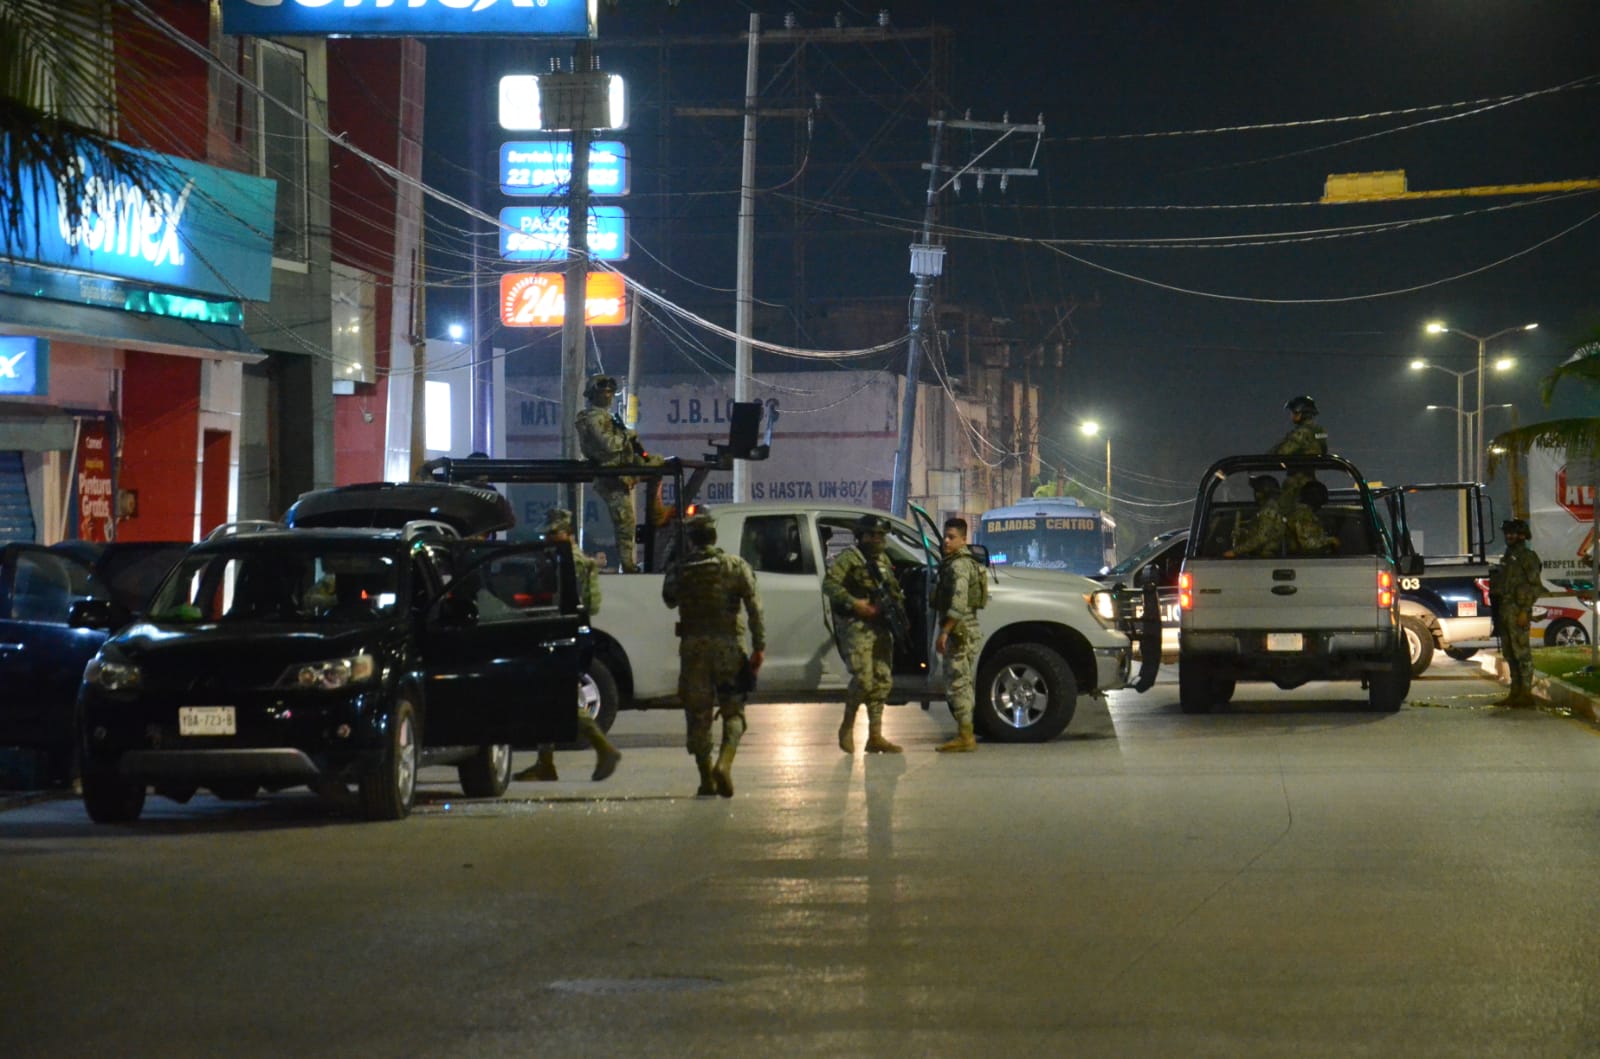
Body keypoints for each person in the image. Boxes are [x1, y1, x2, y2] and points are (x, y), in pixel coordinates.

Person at [513, 508, 622, 783]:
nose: (547, 537)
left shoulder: (556, 562)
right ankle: (545, 763)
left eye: (552, 532)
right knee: (550, 697)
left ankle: (604, 748)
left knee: (556, 694)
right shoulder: (584, 563)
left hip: (556, 634)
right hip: (576, 633)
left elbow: (538, 600)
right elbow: (593, 605)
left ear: (565, 533)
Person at [662, 510, 765, 797]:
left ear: (692, 539)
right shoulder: (735, 566)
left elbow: (669, 599)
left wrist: (676, 558)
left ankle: (706, 778)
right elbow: (755, 609)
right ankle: (725, 763)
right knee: (733, 711)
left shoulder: (681, 569)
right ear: (714, 535)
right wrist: (759, 647)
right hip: (730, 648)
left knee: (698, 715)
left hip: (693, 651)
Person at [824, 513, 908, 754]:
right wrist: (854, 603)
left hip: (881, 625)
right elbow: (829, 585)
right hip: (857, 625)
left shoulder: (883, 560)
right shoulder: (850, 558)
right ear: (861, 536)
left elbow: (893, 591)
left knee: (882, 679)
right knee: (863, 678)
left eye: (881, 535)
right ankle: (847, 726)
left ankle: (875, 736)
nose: (878, 539)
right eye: (873, 535)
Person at [574, 374, 664, 573]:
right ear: (593, 395)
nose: (608, 396)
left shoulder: (604, 417)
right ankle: (628, 565)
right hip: (611, 474)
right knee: (625, 522)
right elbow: (608, 445)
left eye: (610, 393)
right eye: (603, 392)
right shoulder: (592, 418)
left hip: (622, 467)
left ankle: (656, 510)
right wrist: (626, 436)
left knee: (659, 464)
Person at [933, 517, 988, 752]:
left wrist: (945, 631)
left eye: (952, 537)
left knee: (958, 683)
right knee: (962, 682)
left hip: (960, 630)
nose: (946, 541)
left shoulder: (959, 565)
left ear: (964, 539)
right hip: (966, 629)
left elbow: (958, 602)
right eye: (945, 536)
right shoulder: (958, 561)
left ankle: (966, 736)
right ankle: (965, 733)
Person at [1488, 517, 1542, 707]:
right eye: (1507, 533)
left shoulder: (1527, 557)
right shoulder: (1508, 557)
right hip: (1504, 611)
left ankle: (1526, 695)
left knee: (1522, 653)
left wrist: (1524, 611)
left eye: (1513, 533)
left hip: (1518, 611)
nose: (1509, 536)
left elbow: (1534, 586)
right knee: (1510, 653)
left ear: (1522, 535)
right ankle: (1515, 692)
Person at [1224, 475, 1287, 559]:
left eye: (1257, 491)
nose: (1255, 494)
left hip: (1266, 558)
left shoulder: (1269, 509)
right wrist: (1244, 532)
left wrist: (1235, 551)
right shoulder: (1271, 507)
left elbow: (1261, 537)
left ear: (1263, 492)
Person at [1285, 479, 1340, 555]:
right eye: (1321, 495)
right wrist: (1331, 541)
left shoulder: (1303, 513)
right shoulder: (1303, 515)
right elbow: (1308, 544)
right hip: (1305, 560)